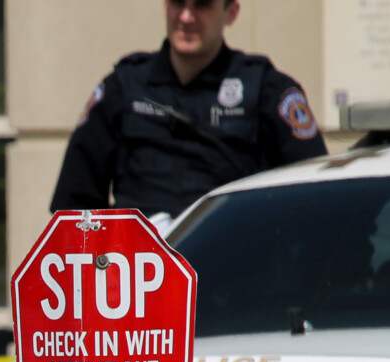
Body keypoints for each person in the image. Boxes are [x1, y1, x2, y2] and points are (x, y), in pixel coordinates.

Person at [50, 0, 327, 222]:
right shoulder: (124, 87)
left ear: (231, 12)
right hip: (140, 279)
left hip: (233, 274)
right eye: (177, 3)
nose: (186, 17)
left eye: (202, 5)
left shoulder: (265, 90)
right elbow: (74, 207)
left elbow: (315, 199)